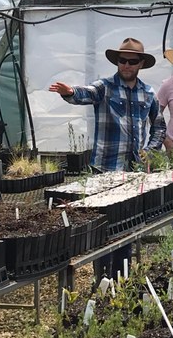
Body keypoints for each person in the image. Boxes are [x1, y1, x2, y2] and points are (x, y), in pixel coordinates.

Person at [49, 36, 166, 280]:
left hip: (133, 172)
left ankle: (119, 280)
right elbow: (85, 93)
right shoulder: (105, 87)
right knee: (103, 227)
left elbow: (159, 126)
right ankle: (101, 278)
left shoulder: (148, 93)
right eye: (122, 60)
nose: (126, 65)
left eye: (132, 61)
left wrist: (151, 151)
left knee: (125, 225)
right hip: (104, 169)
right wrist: (69, 92)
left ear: (140, 64)